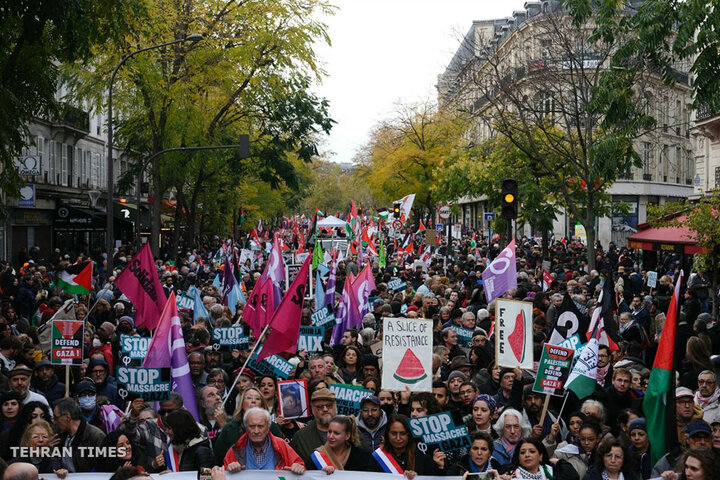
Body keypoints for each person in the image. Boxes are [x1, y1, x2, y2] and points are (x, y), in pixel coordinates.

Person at [213, 387, 284, 466]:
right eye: (249, 398)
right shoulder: (229, 429)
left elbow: (283, 455)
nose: (253, 401)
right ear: (242, 403)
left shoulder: (272, 427)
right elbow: (219, 458)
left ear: (262, 404)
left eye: (257, 399)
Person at [223, 407, 305, 474]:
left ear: (268, 427)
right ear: (246, 428)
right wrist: (229, 469)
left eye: (260, 426)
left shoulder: (281, 445)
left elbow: (300, 466)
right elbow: (225, 474)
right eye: (252, 426)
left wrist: (298, 467)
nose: (256, 431)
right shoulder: (236, 449)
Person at [368, 414, 444, 477]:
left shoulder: (421, 456)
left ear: (409, 435)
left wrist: (419, 477)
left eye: (403, 434)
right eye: (394, 433)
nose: (398, 438)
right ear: (387, 434)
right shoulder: (378, 457)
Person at [53, 398, 106, 473]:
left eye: (56, 418)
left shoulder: (96, 436)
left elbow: (102, 468)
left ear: (68, 417)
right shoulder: (60, 436)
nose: (54, 422)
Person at [289, 387, 338, 467]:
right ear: (312, 409)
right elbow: (291, 462)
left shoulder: (350, 430)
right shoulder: (301, 437)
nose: (325, 409)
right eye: (319, 407)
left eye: (329, 405)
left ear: (336, 407)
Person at [503, 437, 579, 480]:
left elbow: (573, 477)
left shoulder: (551, 472)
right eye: (522, 453)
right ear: (519, 458)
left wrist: (558, 462)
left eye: (532, 451)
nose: (527, 455)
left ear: (540, 456)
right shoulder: (509, 476)